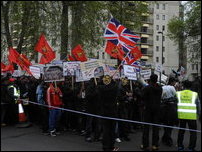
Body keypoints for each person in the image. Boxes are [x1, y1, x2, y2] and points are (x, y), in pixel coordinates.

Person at [176, 80, 201, 151]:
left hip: (182, 115)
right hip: (192, 116)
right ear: (191, 86)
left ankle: (180, 146)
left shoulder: (179, 93)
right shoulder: (195, 94)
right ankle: (191, 148)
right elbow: (198, 105)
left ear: (183, 86)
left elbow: (176, 103)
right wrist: (198, 115)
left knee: (181, 131)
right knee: (193, 133)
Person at [140, 74, 163, 151]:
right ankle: (155, 145)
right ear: (157, 79)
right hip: (157, 109)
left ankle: (145, 145)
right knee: (155, 128)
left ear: (150, 79)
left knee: (146, 128)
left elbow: (142, 96)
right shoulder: (160, 88)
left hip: (148, 109)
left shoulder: (147, 88)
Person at [98, 75, 119, 151]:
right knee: (111, 131)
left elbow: (99, 84)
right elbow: (115, 84)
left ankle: (105, 147)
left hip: (104, 112)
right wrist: (111, 79)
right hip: (112, 112)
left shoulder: (100, 88)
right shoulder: (114, 87)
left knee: (105, 131)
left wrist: (101, 80)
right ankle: (111, 147)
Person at [160, 77, 178, 146]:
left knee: (165, 123)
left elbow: (161, 96)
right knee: (170, 124)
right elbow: (175, 95)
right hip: (171, 107)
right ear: (172, 82)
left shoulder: (163, 87)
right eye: (174, 82)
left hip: (164, 107)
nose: (175, 83)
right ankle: (168, 140)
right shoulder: (172, 88)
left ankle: (165, 137)